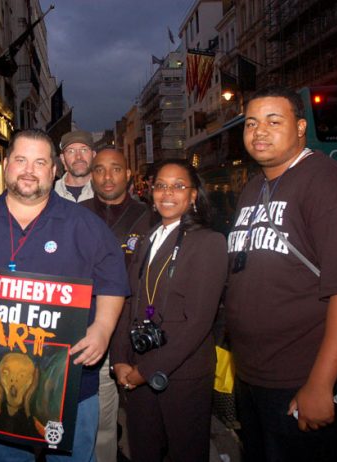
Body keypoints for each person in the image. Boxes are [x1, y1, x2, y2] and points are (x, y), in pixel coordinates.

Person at [0, 129, 129, 461]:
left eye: (40, 162)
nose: (29, 170)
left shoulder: (85, 225)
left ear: (54, 170)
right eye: (20, 160)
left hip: (70, 383)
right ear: (6, 165)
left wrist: (102, 329)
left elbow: (112, 282)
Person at [224, 85, 337, 462]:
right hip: (257, 376)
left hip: (303, 376)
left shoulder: (331, 185)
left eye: (273, 121)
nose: (259, 132)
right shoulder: (255, 187)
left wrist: (321, 384)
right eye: (251, 123)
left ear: (301, 127)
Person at [110, 160, 227, 462]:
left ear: (193, 196)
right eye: (160, 185)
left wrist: (144, 373)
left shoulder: (209, 242)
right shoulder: (148, 239)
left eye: (178, 186)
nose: (167, 193)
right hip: (137, 368)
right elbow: (130, 303)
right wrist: (120, 359)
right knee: (144, 451)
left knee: (186, 452)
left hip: (182, 374)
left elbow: (198, 323)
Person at [80, 146, 153, 462]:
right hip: (92, 329)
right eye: (99, 169)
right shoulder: (77, 214)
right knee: (100, 420)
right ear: (91, 175)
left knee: (145, 420)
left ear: (128, 174)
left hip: (137, 330)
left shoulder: (149, 216)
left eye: (115, 169)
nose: (107, 176)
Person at [54, 130, 95, 202]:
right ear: (63, 159)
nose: (78, 157)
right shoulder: (50, 193)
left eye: (84, 150)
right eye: (71, 151)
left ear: (93, 156)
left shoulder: (105, 191)